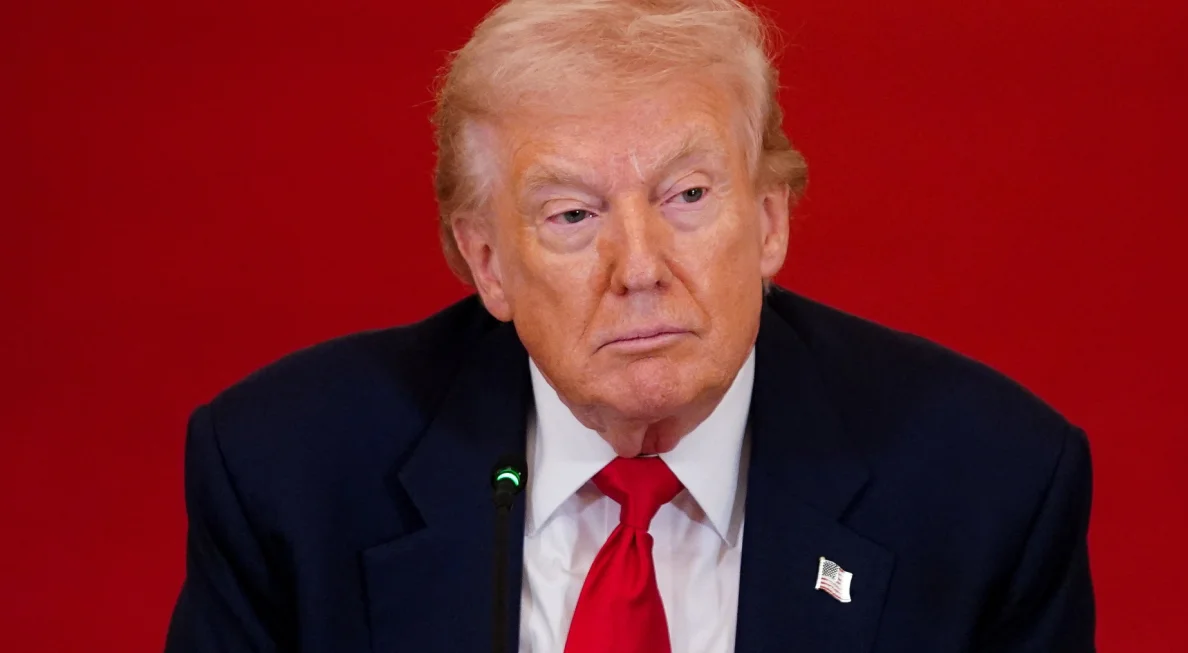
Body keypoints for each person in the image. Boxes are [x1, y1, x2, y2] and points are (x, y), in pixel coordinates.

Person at [165, 0, 1095, 651]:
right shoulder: (287, 474)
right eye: (572, 214)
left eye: (687, 195)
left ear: (770, 219)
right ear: (488, 261)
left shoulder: (988, 484)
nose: (640, 266)